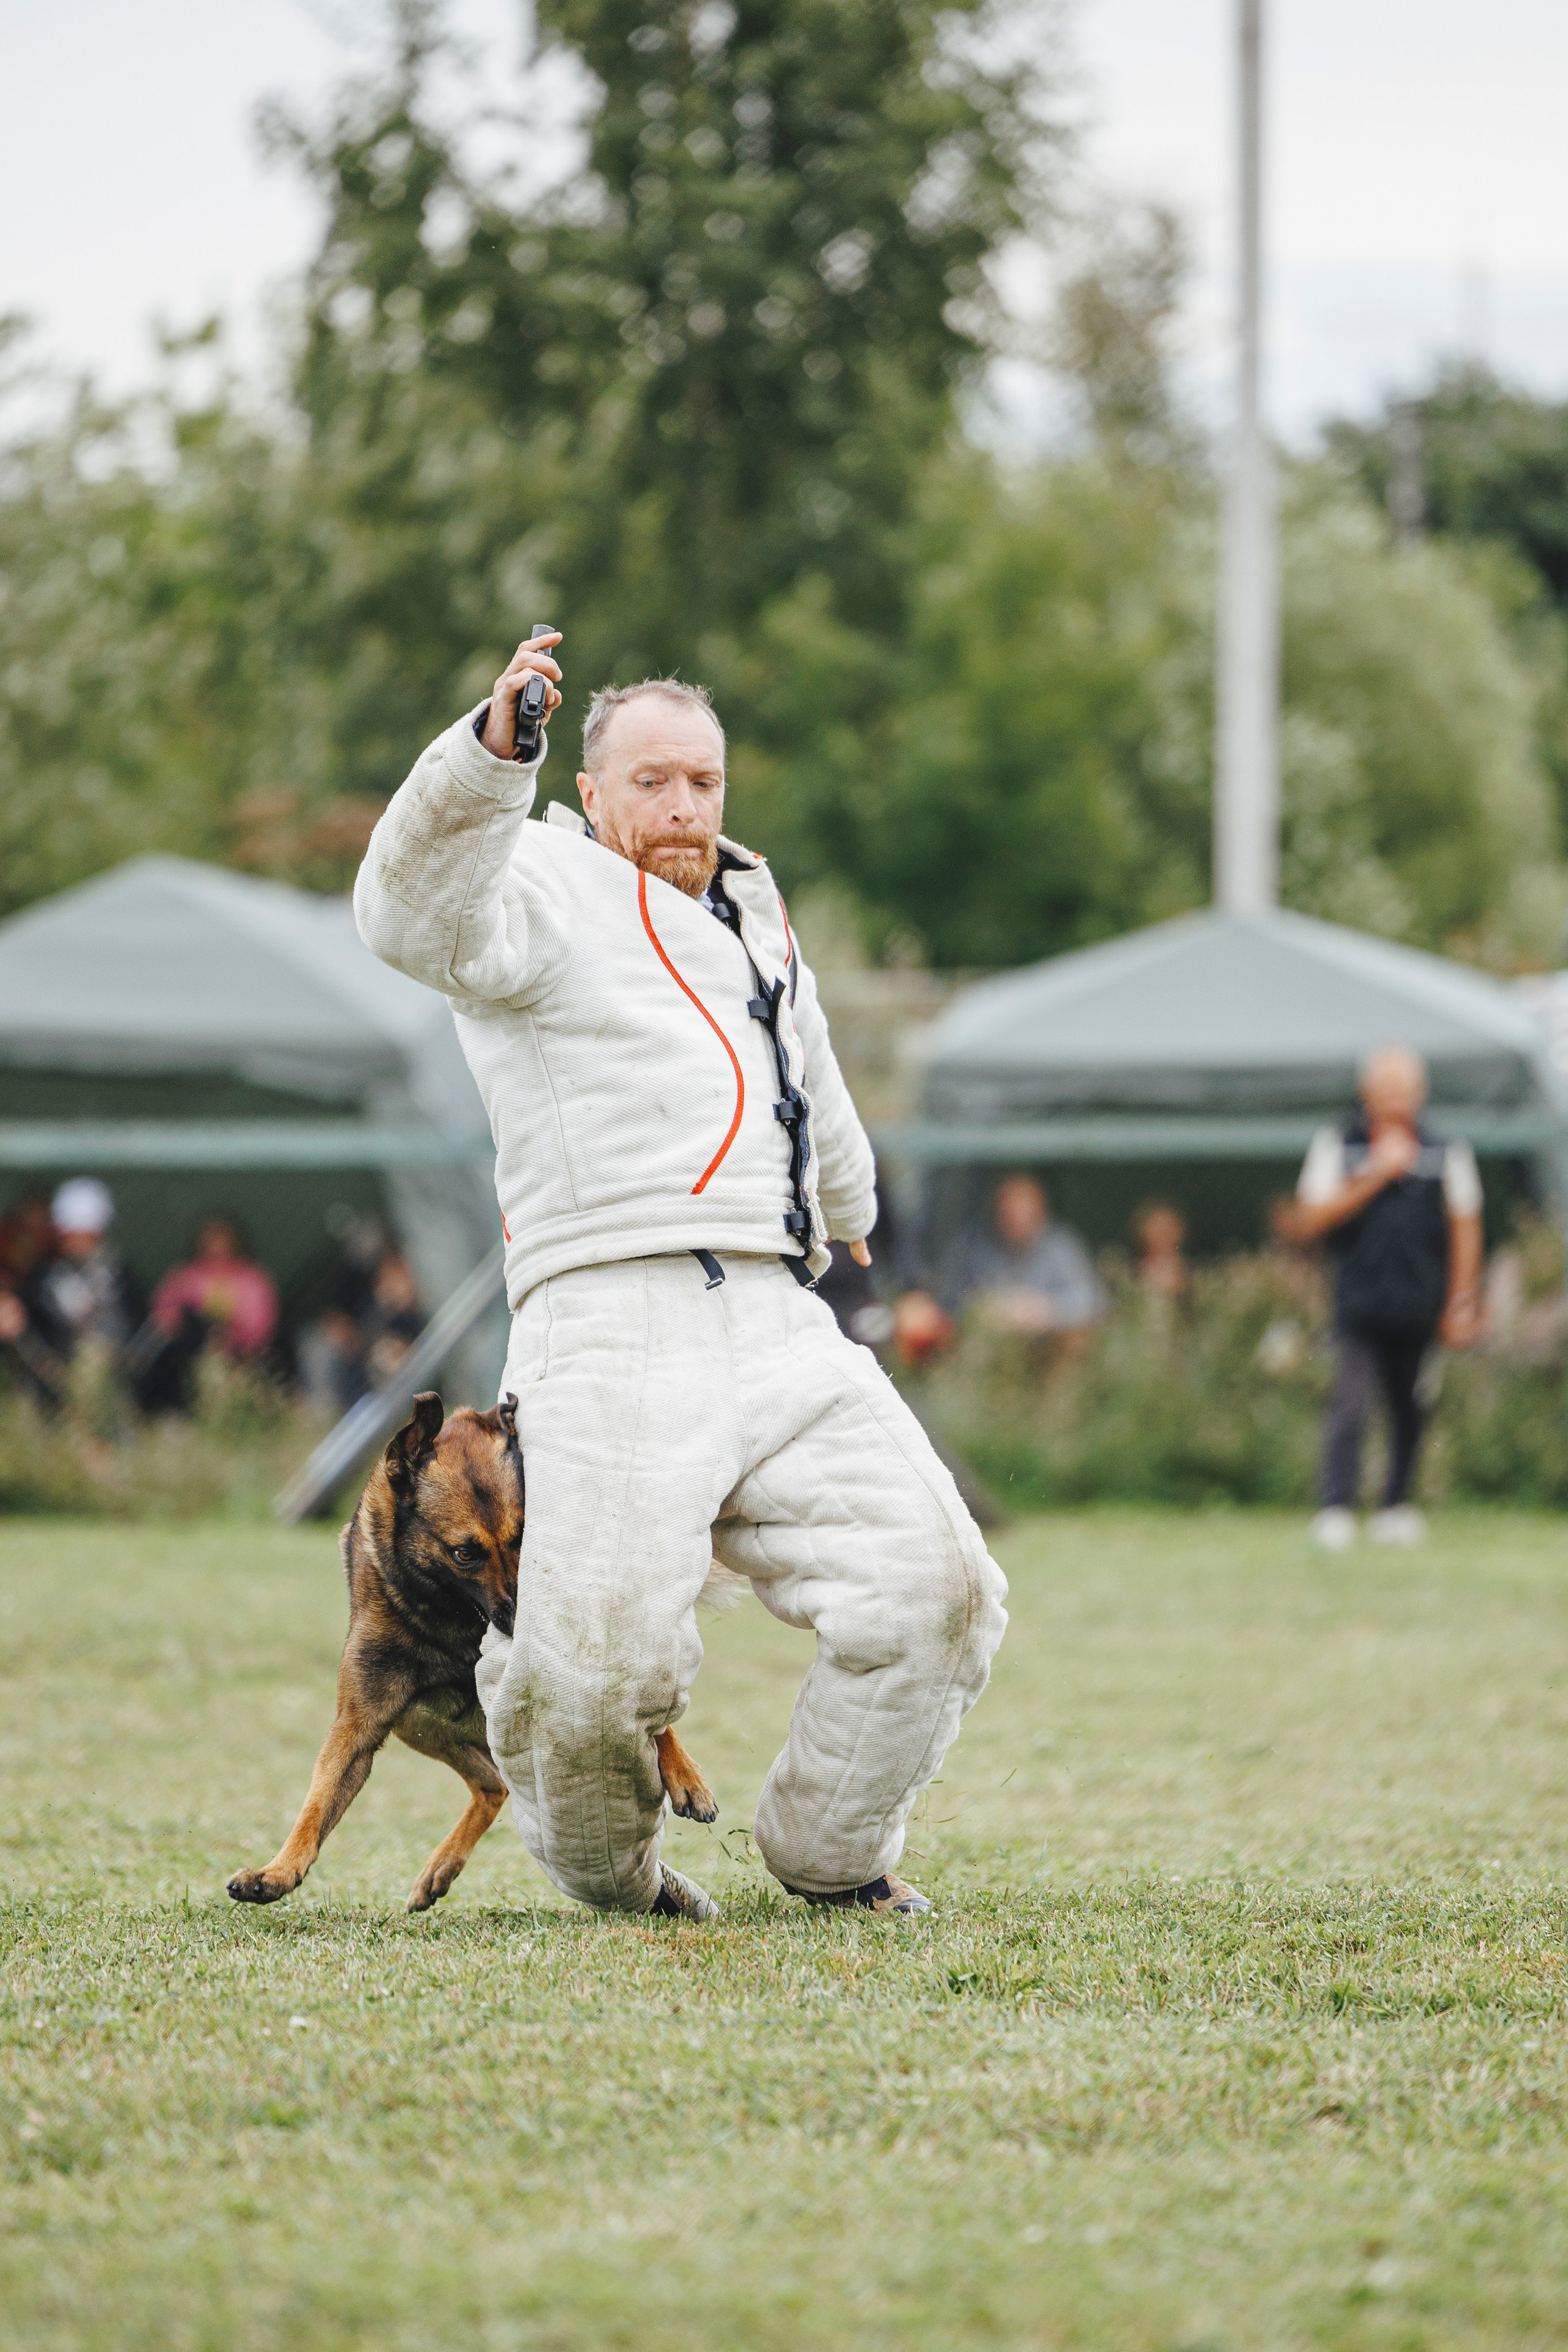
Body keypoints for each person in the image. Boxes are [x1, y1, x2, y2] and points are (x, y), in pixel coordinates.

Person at [353, 631, 1007, 1922]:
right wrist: (489, 756)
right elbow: (406, 917)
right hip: (608, 1314)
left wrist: (847, 1200)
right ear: (590, 791)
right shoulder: (531, 882)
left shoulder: (752, 906)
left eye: (702, 781)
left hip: (773, 1307)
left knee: (936, 1590)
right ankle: (615, 1876)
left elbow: (801, 1058)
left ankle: (832, 1852)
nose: (681, 807)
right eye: (650, 782)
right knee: (593, 1673)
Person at [1288, 1044, 1483, 1550]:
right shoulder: (1339, 1145)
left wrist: (1462, 1300)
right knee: (1350, 1401)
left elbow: (1465, 1227)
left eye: (1406, 1087)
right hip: (1358, 1302)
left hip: (1420, 1302)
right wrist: (1375, 1173)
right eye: (1388, 1086)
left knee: (1409, 1406)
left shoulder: (1444, 1152)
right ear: (1367, 1093)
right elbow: (1309, 1219)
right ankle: (1336, 1508)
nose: (1398, 1096)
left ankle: (1396, 1506)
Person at [0, 1178, 143, 1401]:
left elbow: (135, 1326)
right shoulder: (44, 1276)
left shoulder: (119, 1275)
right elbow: (28, 1319)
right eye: (72, 1234)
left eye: (85, 1234)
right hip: (55, 1383)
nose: (77, 1241)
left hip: (112, 1380)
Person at [944, 1174, 1105, 1341]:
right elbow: (951, 1299)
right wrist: (988, 1308)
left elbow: (1092, 1300)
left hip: (1046, 1340)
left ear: (1040, 1213)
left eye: (1025, 1214)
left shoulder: (1061, 1247)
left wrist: (1046, 1309)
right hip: (990, 1342)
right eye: (1010, 1214)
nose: (1017, 1222)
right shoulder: (974, 1247)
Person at [149, 1215, 279, 1363]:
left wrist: (233, 1338)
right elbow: (163, 1313)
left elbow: (262, 1326)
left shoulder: (253, 1280)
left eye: (220, 1238)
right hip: (188, 1355)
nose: (215, 1244)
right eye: (209, 1238)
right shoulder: (185, 1276)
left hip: (239, 1359)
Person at [1132, 1200, 1191, 1301]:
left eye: (1169, 1229)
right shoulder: (1139, 1270)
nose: (1164, 1235)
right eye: (1158, 1230)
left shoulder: (1185, 1269)